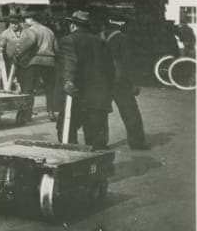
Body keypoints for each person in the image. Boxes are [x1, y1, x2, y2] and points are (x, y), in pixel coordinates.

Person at [55, 10, 115, 148]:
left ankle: (73, 165)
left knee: (66, 133)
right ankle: (97, 168)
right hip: (99, 98)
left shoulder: (68, 40)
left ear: (73, 26)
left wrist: (68, 81)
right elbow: (110, 71)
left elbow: (70, 62)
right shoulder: (102, 42)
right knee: (97, 140)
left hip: (77, 96)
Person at [102, 13, 149, 150]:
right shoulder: (123, 39)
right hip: (120, 80)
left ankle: (100, 143)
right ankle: (137, 142)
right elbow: (129, 62)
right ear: (121, 24)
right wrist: (134, 82)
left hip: (102, 80)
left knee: (101, 112)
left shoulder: (100, 37)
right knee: (130, 111)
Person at [20, 11, 58, 120]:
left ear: (31, 19)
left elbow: (26, 46)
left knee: (29, 88)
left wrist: (19, 56)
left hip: (35, 61)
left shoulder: (31, 30)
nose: (25, 22)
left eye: (26, 19)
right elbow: (56, 48)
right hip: (50, 61)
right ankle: (51, 112)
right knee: (49, 88)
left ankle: (27, 114)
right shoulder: (50, 31)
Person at [0, 15, 31, 90]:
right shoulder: (5, 33)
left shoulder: (26, 32)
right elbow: (1, 47)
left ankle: (23, 91)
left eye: (15, 23)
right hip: (10, 60)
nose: (13, 25)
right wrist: (1, 58)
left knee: (23, 78)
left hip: (23, 60)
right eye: (12, 23)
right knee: (10, 78)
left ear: (19, 23)